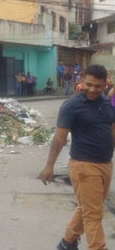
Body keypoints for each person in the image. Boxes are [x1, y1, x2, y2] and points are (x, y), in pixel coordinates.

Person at [39, 64, 115, 250]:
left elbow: (111, 128)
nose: (92, 89)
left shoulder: (105, 102)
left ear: (105, 84)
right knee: (93, 213)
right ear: (82, 81)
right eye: (88, 84)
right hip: (84, 166)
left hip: (105, 164)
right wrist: (49, 166)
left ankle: (67, 242)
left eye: (97, 86)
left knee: (88, 207)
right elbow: (59, 138)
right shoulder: (72, 106)